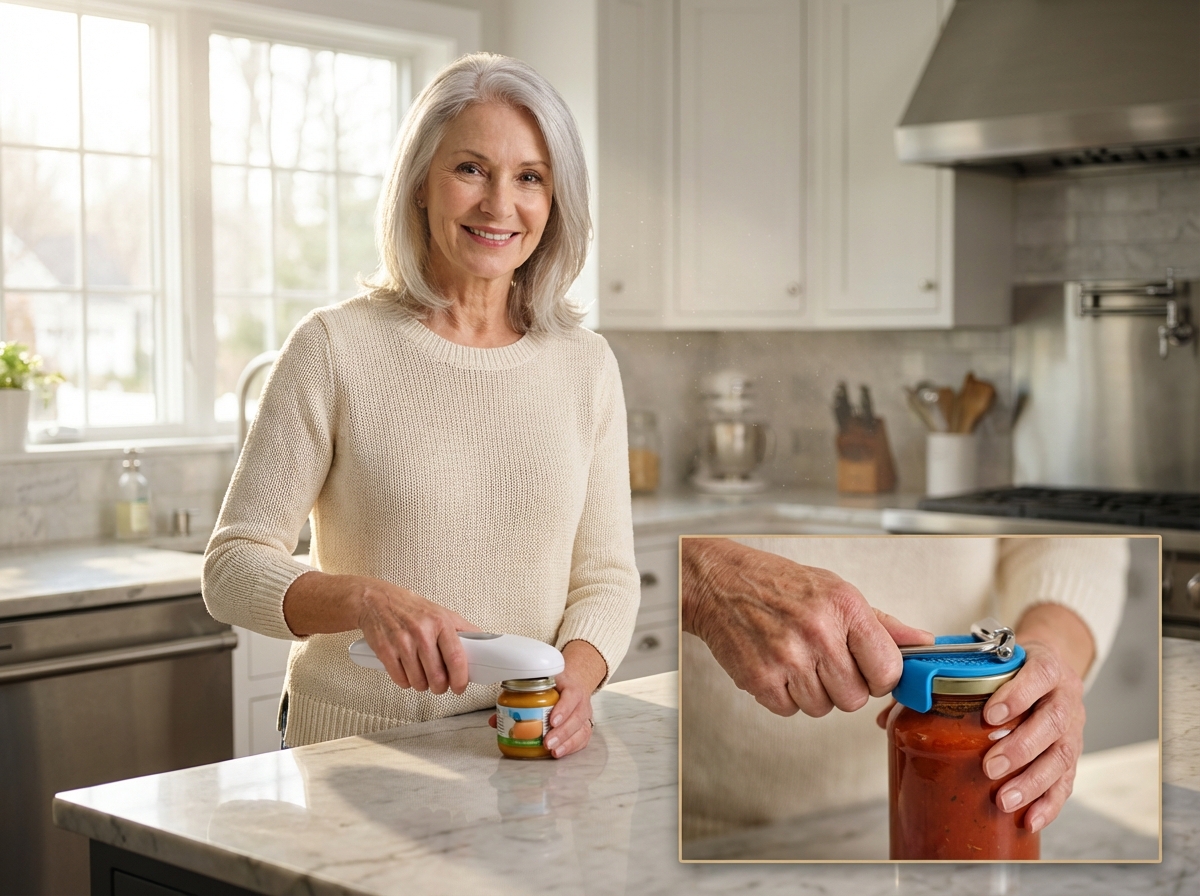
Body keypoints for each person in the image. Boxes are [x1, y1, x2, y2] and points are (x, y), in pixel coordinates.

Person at [203, 53, 640, 757]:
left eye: (529, 177)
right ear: (419, 187)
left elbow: (607, 579)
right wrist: (362, 601)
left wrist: (576, 684)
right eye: (470, 170)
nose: (500, 205)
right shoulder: (334, 347)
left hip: (521, 751)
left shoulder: (585, 365)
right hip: (353, 756)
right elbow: (230, 568)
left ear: (555, 202)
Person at [680, 536, 1128, 843]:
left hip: (887, 820)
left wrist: (1051, 646)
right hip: (706, 830)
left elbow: (1077, 538)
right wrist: (703, 578)